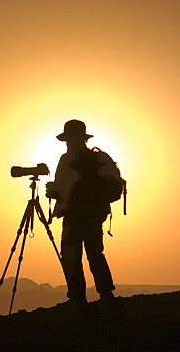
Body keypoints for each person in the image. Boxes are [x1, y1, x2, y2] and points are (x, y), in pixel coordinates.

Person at [45, 119, 122, 308]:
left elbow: (65, 188)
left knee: (72, 256)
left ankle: (78, 297)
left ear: (70, 139)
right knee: (95, 253)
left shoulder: (69, 160)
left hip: (74, 215)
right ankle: (105, 293)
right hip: (94, 215)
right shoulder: (95, 160)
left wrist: (54, 191)